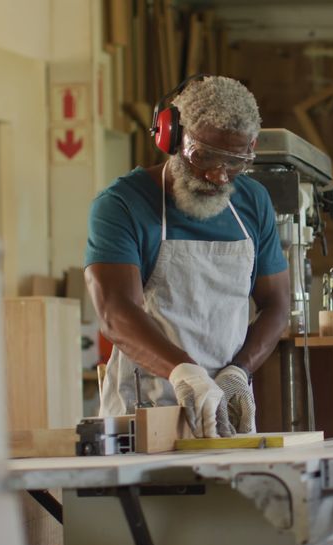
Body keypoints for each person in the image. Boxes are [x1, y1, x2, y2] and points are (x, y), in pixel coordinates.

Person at [84, 75, 289, 438]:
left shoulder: (253, 203)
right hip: (144, 415)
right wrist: (185, 372)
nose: (217, 174)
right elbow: (115, 313)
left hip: (222, 413)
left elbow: (276, 305)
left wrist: (238, 373)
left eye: (235, 162)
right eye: (204, 156)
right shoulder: (122, 205)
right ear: (173, 136)